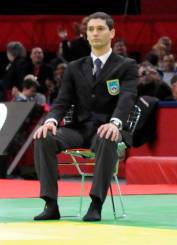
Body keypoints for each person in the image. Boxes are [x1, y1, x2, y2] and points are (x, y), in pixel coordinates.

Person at [32, 12, 138, 222]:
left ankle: (96, 204)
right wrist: (51, 120)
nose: (95, 33)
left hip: (108, 128)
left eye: (100, 29)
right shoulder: (74, 67)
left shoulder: (126, 65)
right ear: (86, 36)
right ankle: (50, 204)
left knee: (108, 136)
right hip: (78, 129)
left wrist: (115, 123)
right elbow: (62, 101)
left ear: (112, 33)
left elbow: (127, 98)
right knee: (43, 137)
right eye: (91, 30)